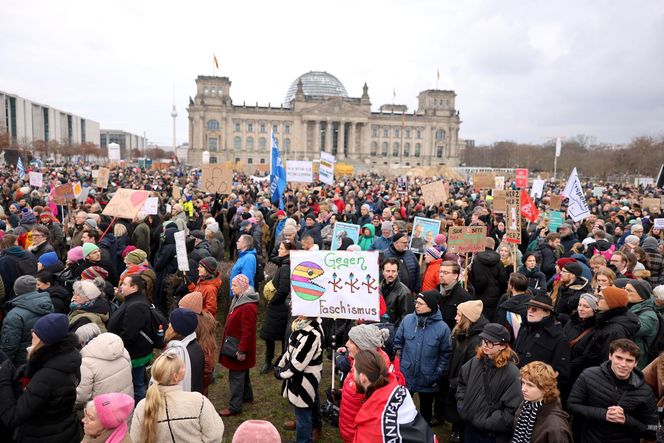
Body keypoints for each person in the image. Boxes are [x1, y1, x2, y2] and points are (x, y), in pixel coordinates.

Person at [0, 313, 82, 442]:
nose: (30, 342)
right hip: (63, 428)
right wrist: (29, 368)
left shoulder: (46, 376)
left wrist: (3, 380)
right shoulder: (69, 357)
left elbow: (12, 418)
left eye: (33, 338)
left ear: (42, 342)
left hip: (42, 435)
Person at [567, 338, 658, 442]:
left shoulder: (645, 392)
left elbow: (652, 432)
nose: (623, 364)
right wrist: (603, 414)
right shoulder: (588, 375)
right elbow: (571, 406)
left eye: (629, 360)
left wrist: (626, 420)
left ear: (636, 363)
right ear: (610, 356)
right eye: (619, 358)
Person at [130, 351, 225, 443]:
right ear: (175, 377)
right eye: (182, 366)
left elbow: (135, 440)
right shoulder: (198, 401)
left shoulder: (142, 407)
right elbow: (215, 435)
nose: (185, 367)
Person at [352, 349, 437, 442]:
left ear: (362, 377)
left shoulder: (368, 430)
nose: (352, 374)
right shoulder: (399, 392)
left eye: (353, 371)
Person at [456, 323, 522, 443]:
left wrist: (487, 422)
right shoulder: (474, 362)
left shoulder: (512, 373)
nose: (485, 345)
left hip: (490, 435)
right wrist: (463, 407)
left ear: (503, 346)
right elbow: (461, 384)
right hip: (469, 426)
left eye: (490, 342)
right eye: (484, 340)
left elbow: (512, 409)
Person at [394, 290, 451, 423]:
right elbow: (398, 343)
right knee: (401, 409)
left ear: (431, 306)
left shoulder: (443, 329)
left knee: (425, 412)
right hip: (405, 374)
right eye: (416, 302)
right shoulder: (407, 320)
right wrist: (400, 365)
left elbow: (446, 354)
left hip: (428, 378)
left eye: (421, 303)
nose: (416, 306)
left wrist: (437, 373)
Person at [439, 300, 488, 440]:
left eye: (459, 315)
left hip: (462, 384)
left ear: (468, 318)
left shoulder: (477, 341)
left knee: (462, 411)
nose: (455, 318)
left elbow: (473, 369)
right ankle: (456, 429)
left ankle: (460, 432)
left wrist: (455, 382)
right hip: (455, 379)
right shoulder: (464, 333)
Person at [336, 324, 391, 443]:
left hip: (359, 435)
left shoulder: (373, 373)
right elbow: (358, 393)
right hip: (351, 428)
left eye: (351, 341)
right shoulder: (361, 361)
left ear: (362, 346)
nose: (346, 344)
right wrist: (342, 393)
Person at [274, 316, 324, 443]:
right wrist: (280, 363)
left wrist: (281, 373)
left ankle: (304, 438)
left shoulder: (313, 334)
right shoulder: (299, 325)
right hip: (297, 377)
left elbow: (298, 363)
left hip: (305, 379)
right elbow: (290, 350)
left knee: (303, 409)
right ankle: (312, 425)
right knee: (306, 405)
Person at [107, 274, 153, 403]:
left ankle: (141, 410)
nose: (121, 286)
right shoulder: (132, 300)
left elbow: (129, 334)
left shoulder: (136, 305)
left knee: (137, 385)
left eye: (125, 284)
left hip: (135, 354)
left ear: (134, 287)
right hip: (133, 352)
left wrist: (116, 347)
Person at [219, 274, 259, 417]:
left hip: (238, 348)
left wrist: (241, 351)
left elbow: (247, 331)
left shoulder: (247, 306)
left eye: (234, 285)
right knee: (243, 372)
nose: (231, 287)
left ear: (242, 287)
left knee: (236, 375)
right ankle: (247, 396)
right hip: (236, 344)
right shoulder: (239, 299)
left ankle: (235, 406)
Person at [514, 293, 571, 392]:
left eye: (535, 309)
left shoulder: (559, 339)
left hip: (535, 392)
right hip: (515, 385)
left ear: (547, 312)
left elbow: (561, 376)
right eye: (528, 307)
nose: (530, 311)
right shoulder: (524, 328)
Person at [0, 275, 54, 366]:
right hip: (42, 356)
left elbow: (9, 347)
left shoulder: (14, 315)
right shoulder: (47, 303)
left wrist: (4, 366)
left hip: (21, 362)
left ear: (16, 291)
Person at [513, 361, 572, 442]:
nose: (523, 389)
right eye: (523, 382)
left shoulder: (556, 426)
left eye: (530, 385)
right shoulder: (527, 405)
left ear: (546, 388)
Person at [260, 240, 295, 374]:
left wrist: (273, 301)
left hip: (279, 308)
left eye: (281, 248)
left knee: (276, 336)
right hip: (277, 308)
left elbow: (283, 289)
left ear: (287, 252)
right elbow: (273, 257)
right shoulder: (284, 263)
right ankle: (273, 361)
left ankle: (275, 361)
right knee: (272, 336)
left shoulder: (286, 267)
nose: (278, 250)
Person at [76, 332, 133, 409]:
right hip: (126, 405)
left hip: (103, 412)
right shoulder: (122, 351)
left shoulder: (86, 363)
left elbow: (82, 397)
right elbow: (129, 369)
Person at [178, 291, 218, 395]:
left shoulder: (202, 331)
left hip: (196, 385)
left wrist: (199, 385)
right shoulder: (195, 324)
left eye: (182, 309)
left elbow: (207, 367)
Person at [164, 308, 205, 393]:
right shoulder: (196, 346)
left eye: (171, 323)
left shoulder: (175, 354)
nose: (169, 325)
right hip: (194, 395)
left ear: (175, 329)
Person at [469, 237, 508, 321]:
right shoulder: (499, 262)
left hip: (479, 294)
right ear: (493, 246)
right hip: (494, 295)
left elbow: (472, 277)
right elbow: (503, 280)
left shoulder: (476, 260)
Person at [563, 293, 599, 380]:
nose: (581, 309)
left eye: (586, 307)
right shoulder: (572, 321)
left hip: (575, 373)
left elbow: (586, 357)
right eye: (579, 305)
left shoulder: (597, 329)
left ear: (594, 310)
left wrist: (566, 367)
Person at [437, 260, 472, 331]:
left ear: (455, 276)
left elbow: (464, 323)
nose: (441, 275)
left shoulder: (463, 296)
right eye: (440, 272)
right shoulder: (436, 290)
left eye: (445, 273)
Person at [380, 258, 415, 328]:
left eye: (393, 271)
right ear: (383, 271)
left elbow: (406, 318)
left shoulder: (404, 292)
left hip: (393, 331)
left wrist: (395, 331)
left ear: (397, 272)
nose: (390, 274)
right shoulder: (378, 288)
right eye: (388, 271)